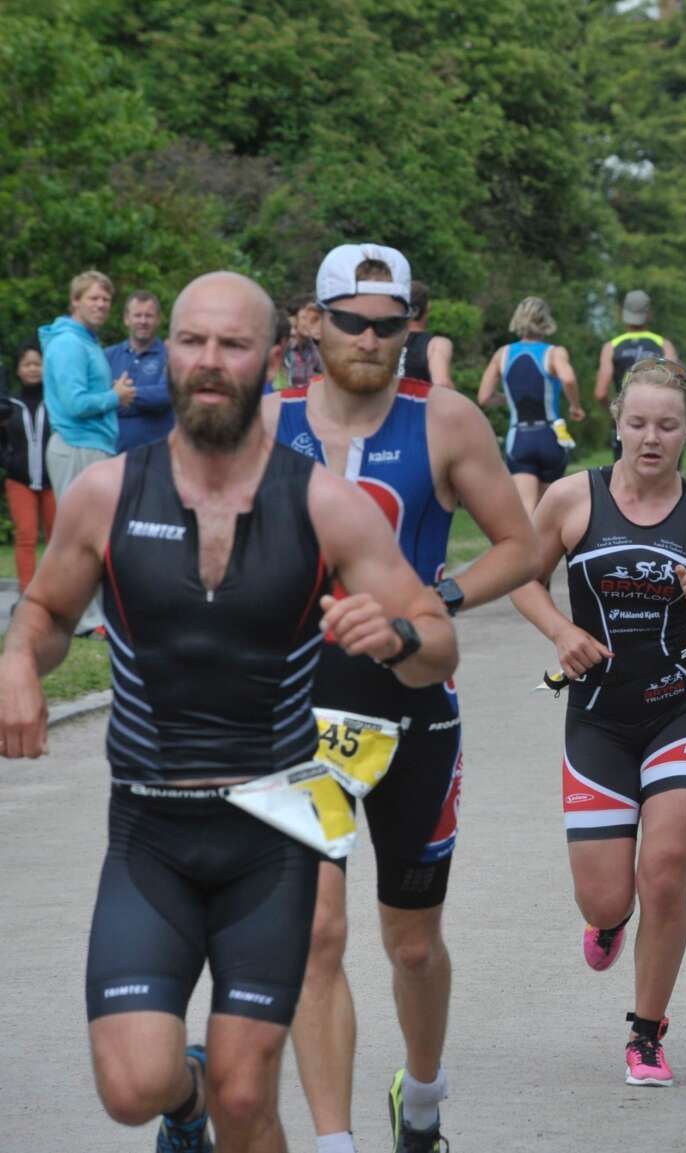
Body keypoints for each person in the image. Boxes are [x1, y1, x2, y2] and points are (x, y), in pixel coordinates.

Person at [0, 269, 457, 1153]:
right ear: (167, 353)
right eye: (192, 341)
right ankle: (187, 1099)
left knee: (252, 1099)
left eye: (233, 344)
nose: (210, 360)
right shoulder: (108, 493)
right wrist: (19, 656)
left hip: (272, 831)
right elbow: (48, 610)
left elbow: (438, 642)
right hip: (150, 831)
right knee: (133, 1087)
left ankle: (228, 1098)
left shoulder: (321, 502)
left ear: (273, 356)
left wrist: (399, 635)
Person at [268, 244, 537, 1153]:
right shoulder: (267, 423)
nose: (372, 339)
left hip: (414, 705)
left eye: (391, 325)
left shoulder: (445, 419)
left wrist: (435, 600)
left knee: (412, 944)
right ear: (314, 322)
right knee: (316, 932)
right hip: (299, 713)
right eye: (352, 321)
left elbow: (519, 544)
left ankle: (421, 1098)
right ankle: (334, 1141)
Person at [510, 358, 686, 1088]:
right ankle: (610, 920)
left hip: (682, 711)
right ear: (616, 423)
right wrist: (561, 630)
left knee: (665, 873)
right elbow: (519, 575)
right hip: (598, 720)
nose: (652, 438)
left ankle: (646, 1031)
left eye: (668, 425)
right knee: (606, 896)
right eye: (639, 423)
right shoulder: (569, 499)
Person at [42, 269, 134, 635]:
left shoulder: (85, 341)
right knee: (81, 537)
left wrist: (112, 394)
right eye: (94, 298)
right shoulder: (69, 343)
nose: (101, 304)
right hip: (76, 444)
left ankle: (90, 616)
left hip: (91, 444)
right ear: (75, 301)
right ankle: (83, 618)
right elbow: (74, 403)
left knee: (95, 534)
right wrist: (115, 396)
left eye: (106, 299)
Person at [477, 295, 585, 515]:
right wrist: (575, 406)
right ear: (546, 321)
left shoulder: (502, 354)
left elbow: (484, 398)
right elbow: (568, 379)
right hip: (550, 436)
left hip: (519, 438)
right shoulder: (554, 353)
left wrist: (510, 398)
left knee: (525, 510)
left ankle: (525, 539)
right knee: (548, 513)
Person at [595, 290, 677, 461]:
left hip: (628, 420)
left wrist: (616, 413)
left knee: (624, 472)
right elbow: (676, 384)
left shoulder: (612, 346)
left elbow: (600, 393)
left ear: (623, 314)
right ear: (648, 314)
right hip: (659, 421)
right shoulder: (663, 344)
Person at [1, 341, 53, 593]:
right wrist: (8, 461)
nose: (33, 369)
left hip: (53, 480)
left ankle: (54, 595)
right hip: (19, 480)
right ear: (19, 369)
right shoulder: (8, 404)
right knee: (26, 535)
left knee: (57, 539)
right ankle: (28, 594)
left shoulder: (55, 400)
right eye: (27, 364)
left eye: (37, 364)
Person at [107, 290, 174, 452]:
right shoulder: (108, 356)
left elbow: (165, 395)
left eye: (149, 316)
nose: (143, 321)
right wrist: (146, 401)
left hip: (158, 454)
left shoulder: (170, 355)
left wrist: (119, 395)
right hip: (113, 454)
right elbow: (99, 401)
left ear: (158, 319)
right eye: (137, 315)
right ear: (126, 319)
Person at [399, 281, 455, 390]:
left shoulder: (385, 340)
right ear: (428, 307)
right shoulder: (436, 344)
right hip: (418, 400)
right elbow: (441, 383)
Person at [281, 296, 325, 391]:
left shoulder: (312, 346)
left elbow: (324, 371)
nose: (309, 323)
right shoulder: (285, 347)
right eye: (304, 318)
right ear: (293, 320)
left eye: (314, 319)